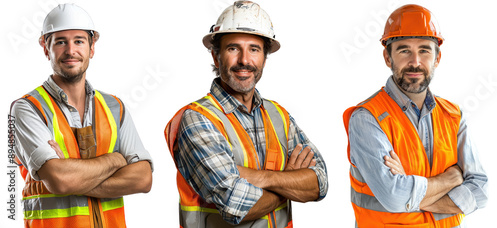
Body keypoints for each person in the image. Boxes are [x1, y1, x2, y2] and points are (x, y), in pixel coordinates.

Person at [164, 1, 328, 227]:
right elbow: (236, 206)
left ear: (264, 57)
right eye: (233, 48)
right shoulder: (197, 119)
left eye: (254, 49)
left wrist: (261, 177)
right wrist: (290, 180)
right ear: (215, 56)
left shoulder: (279, 115)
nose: (244, 60)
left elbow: (320, 182)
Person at [343, 4, 488, 228]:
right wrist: (450, 180)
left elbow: (480, 190)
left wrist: (412, 196)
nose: (415, 62)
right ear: (388, 57)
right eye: (404, 50)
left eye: (424, 50)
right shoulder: (367, 118)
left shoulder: (453, 115)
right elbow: (394, 197)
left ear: (437, 58)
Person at [10, 4, 153, 227]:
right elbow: (60, 181)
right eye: (60, 42)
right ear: (45, 48)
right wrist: (116, 159)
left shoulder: (115, 107)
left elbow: (143, 179)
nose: (70, 50)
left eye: (79, 41)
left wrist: (69, 172)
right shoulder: (27, 109)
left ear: (92, 47)